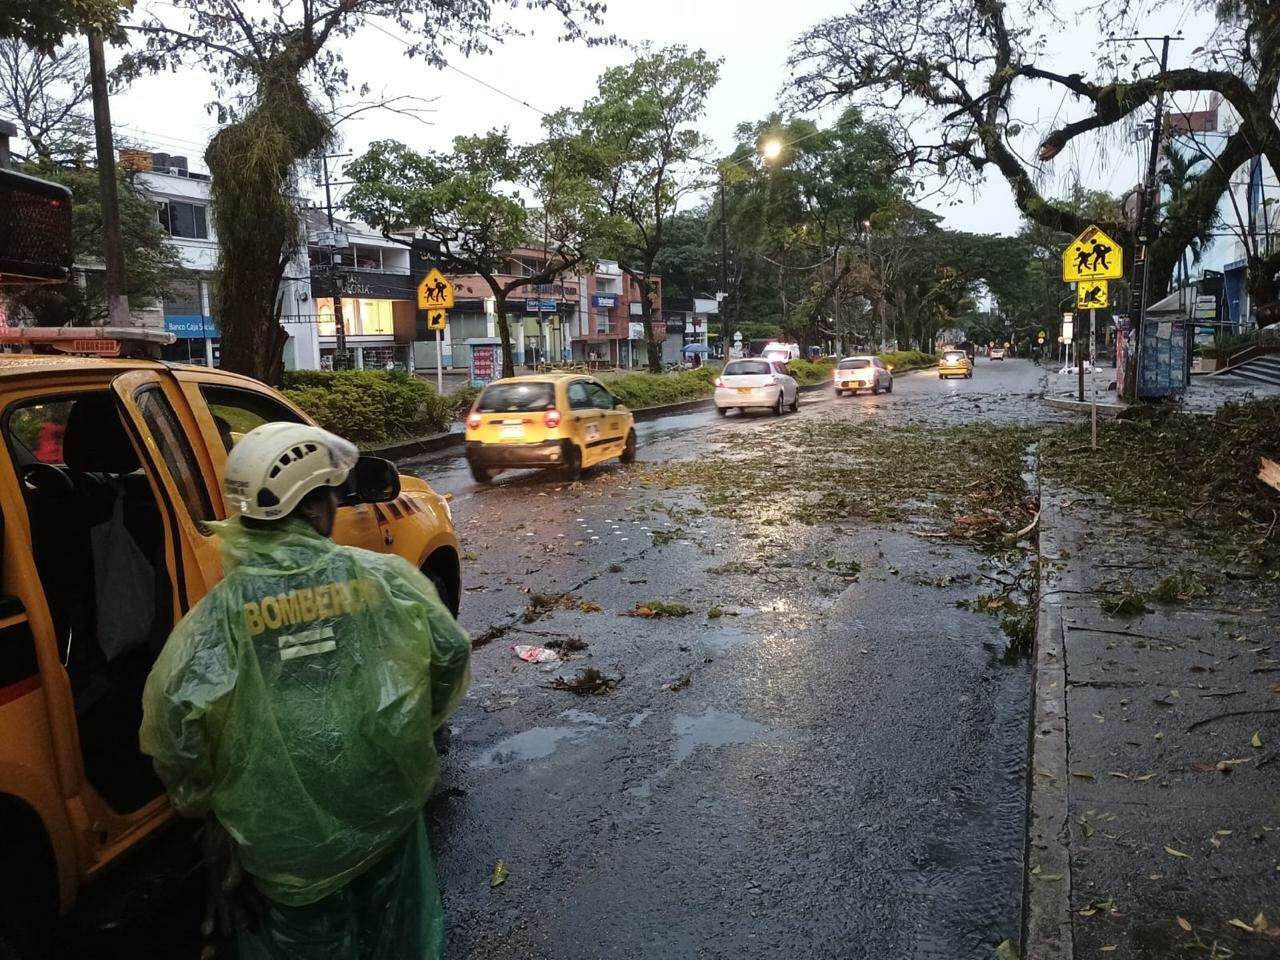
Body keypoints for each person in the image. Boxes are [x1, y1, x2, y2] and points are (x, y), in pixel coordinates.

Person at [140, 423, 470, 960]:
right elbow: (449, 654)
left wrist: (207, 806)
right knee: (396, 936)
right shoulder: (384, 579)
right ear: (314, 508)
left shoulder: (222, 614)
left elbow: (175, 722)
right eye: (334, 496)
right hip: (383, 802)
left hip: (283, 839)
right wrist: (410, 732)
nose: (337, 507)